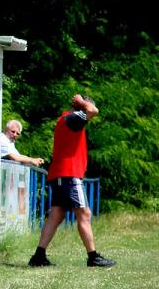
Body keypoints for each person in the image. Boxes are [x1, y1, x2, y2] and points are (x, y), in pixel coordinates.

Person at [28, 94, 116, 267]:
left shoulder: (69, 119)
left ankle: (38, 256)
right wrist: (84, 103)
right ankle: (93, 257)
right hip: (68, 174)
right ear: (81, 106)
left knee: (56, 215)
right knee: (84, 214)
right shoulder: (72, 118)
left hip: (61, 174)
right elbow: (93, 110)